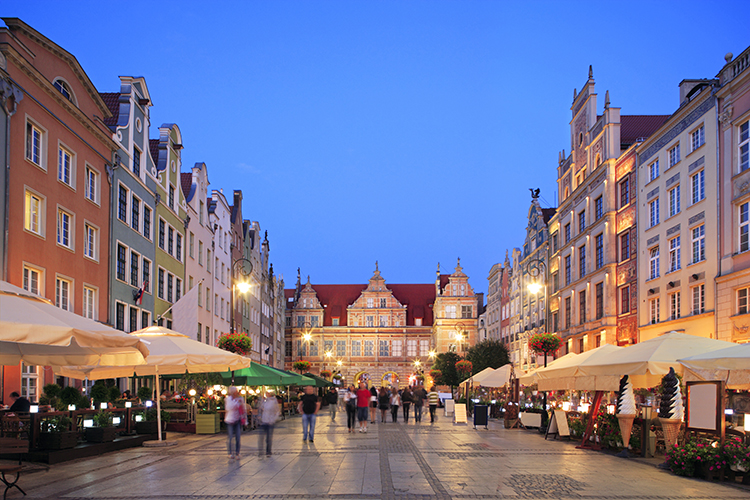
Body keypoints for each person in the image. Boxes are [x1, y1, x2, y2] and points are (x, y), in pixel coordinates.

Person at [224, 387, 247, 459]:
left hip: (237, 420)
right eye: (235, 391)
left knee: (238, 437)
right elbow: (229, 408)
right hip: (230, 420)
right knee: (230, 437)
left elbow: (243, 409)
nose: (237, 393)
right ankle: (230, 453)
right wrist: (237, 403)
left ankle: (237, 453)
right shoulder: (228, 399)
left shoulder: (240, 399)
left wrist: (245, 420)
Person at [258, 390, 280, 457]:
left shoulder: (274, 401)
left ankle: (268, 451)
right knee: (261, 437)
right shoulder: (265, 401)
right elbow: (261, 409)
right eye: (266, 393)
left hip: (270, 422)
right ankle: (261, 452)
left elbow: (277, 411)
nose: (266, 394)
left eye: (267, 393)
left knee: (268, 438)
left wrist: (273, 419)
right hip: (264, 421)